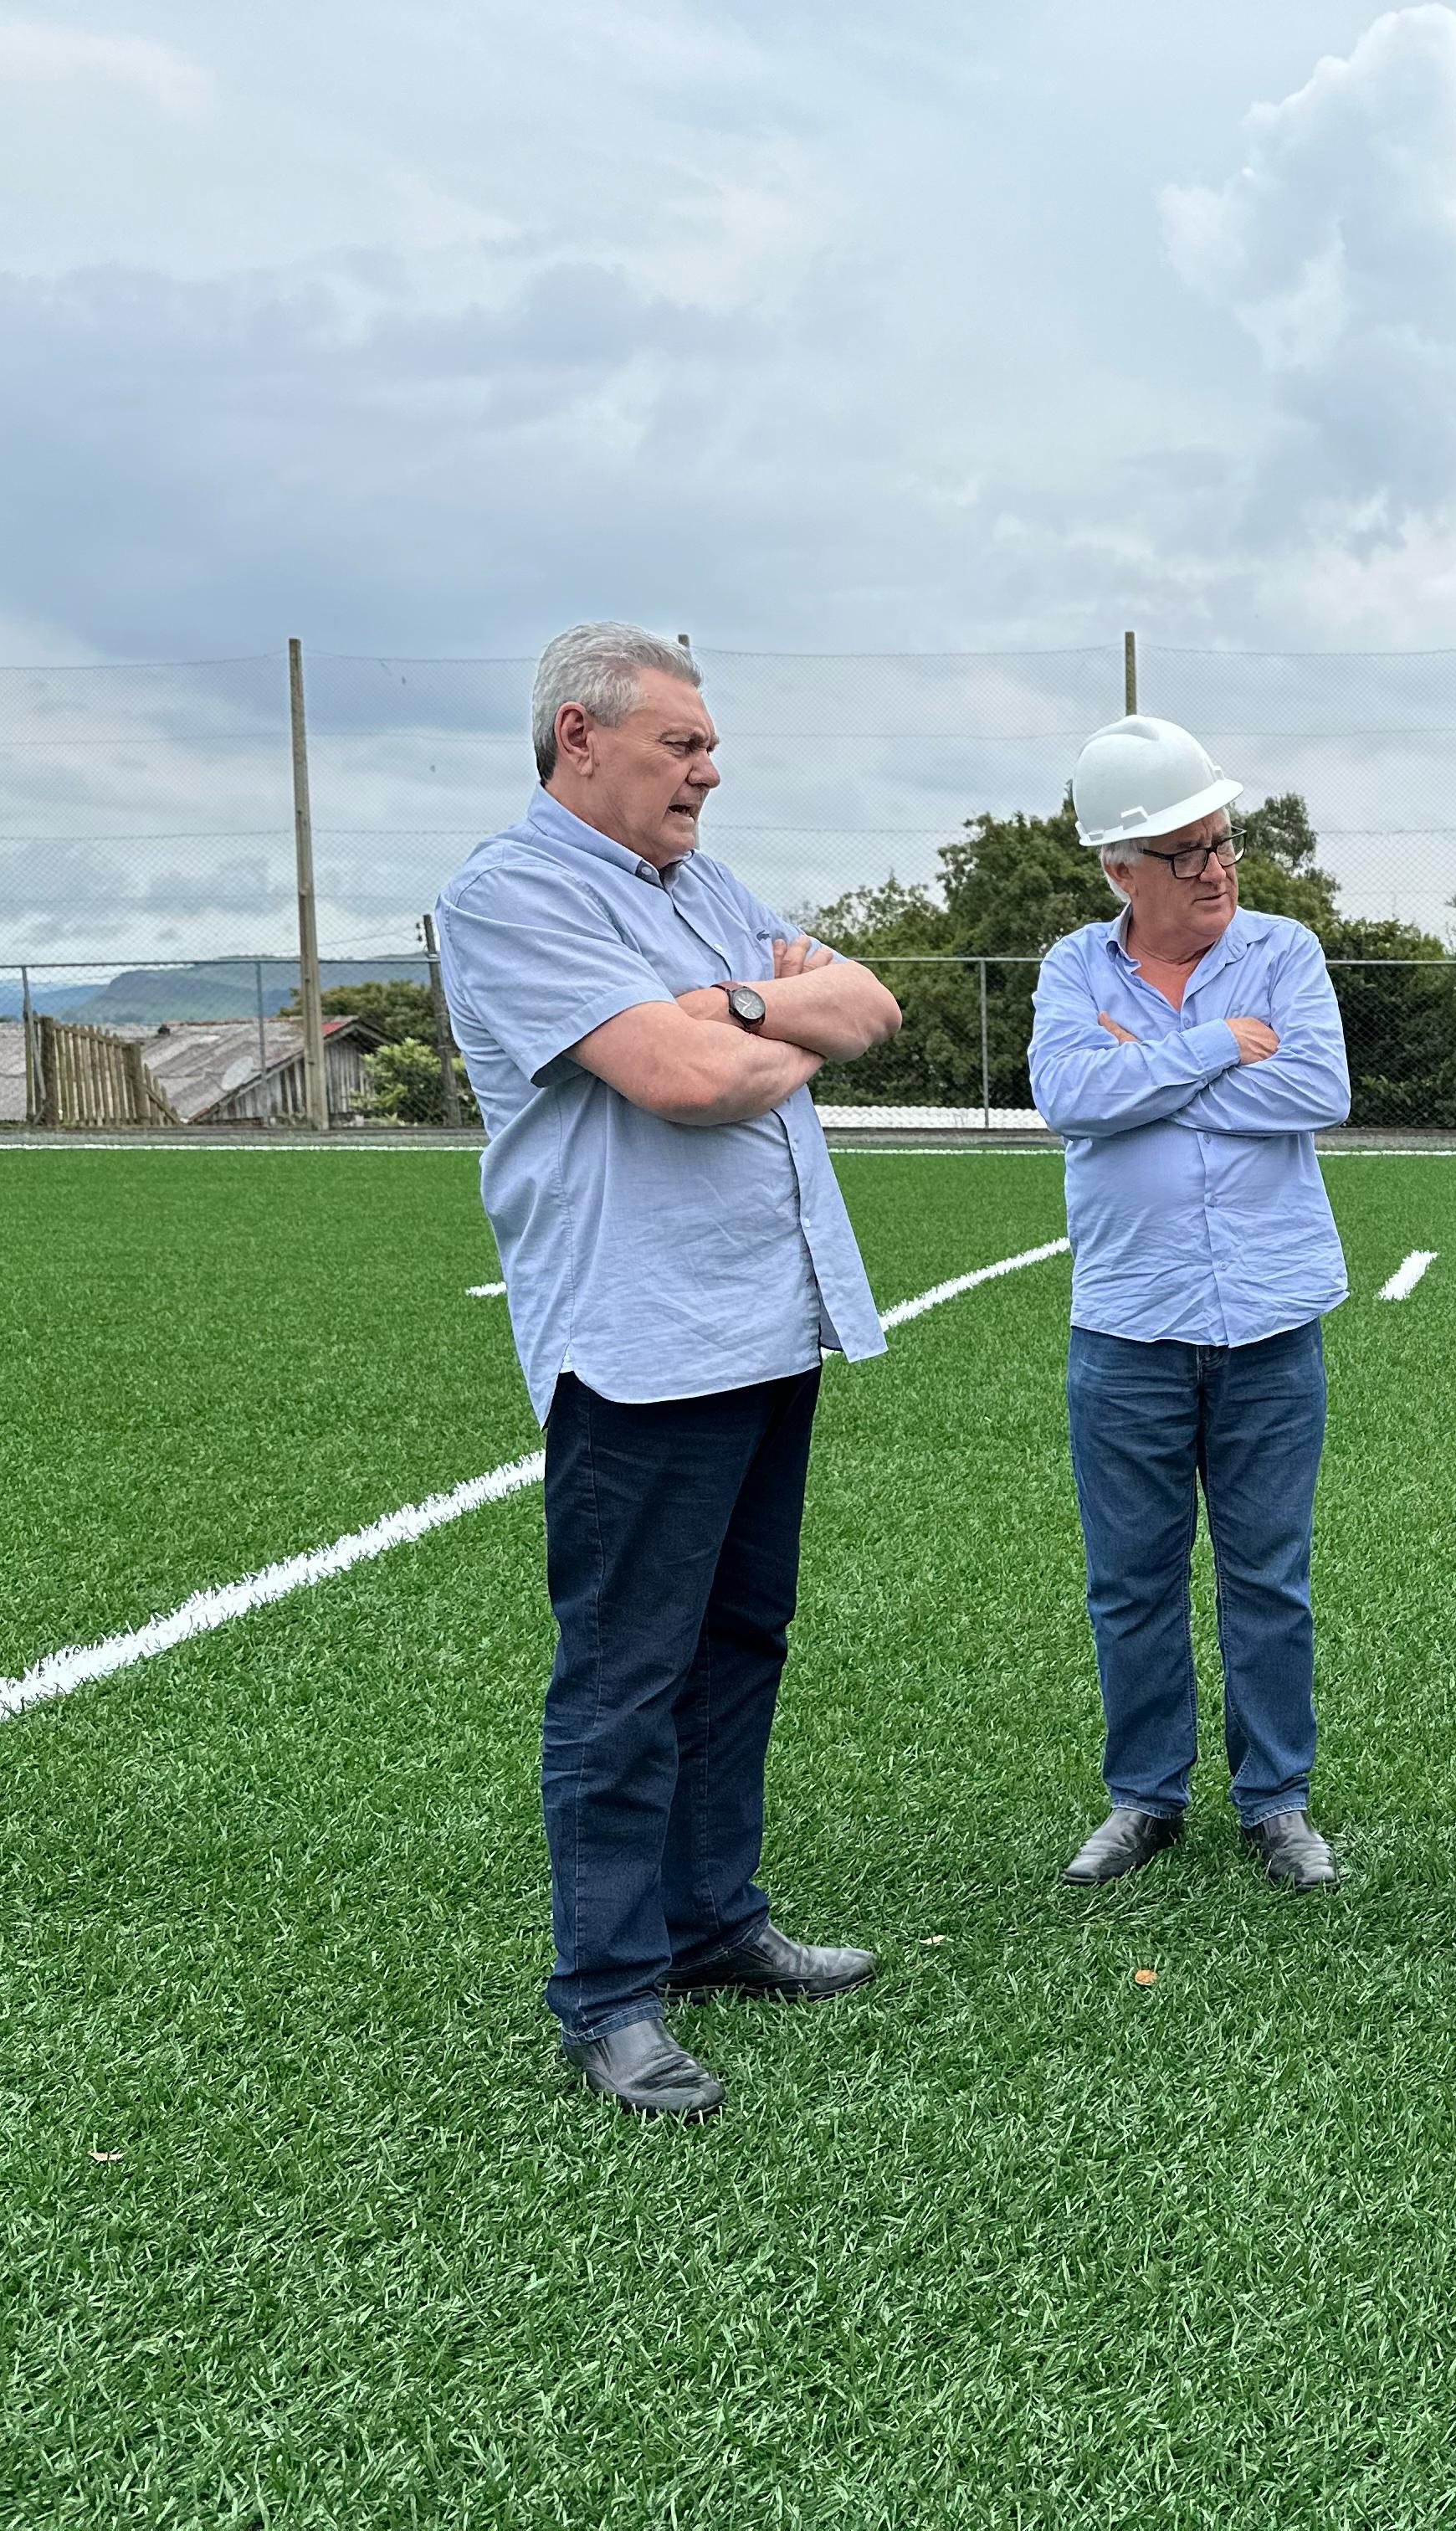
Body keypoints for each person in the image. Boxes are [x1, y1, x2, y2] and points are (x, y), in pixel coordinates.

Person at [436, 622, 906, 2123]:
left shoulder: (705, 891)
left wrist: (744, 1005)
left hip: (769, 1323)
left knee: (740, 1639)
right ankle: (609, 1993)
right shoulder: (509, 898)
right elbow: (691, 1086)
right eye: (682, 744)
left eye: (707, 746)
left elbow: (871, 1008)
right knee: (625, 1677)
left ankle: (713, 1920)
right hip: (640, 1346)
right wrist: (760, 1016)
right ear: (580, 736)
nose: (711, 768)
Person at [1028, 715, 1352, 1893]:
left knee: (1269, 1574)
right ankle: (1145, 1797)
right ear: (1121, 870)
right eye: (1188, 852)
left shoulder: (1287, 950)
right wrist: (1221, 1044)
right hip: (1127, 1324)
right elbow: (1068, 1095)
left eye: (1223, 843)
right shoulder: (1073, 970)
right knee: (1132, 1578)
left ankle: (1276, 1801)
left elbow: (1322, 1084)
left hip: (1270, 1321)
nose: (1217, 867)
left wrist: (1147, 1074)